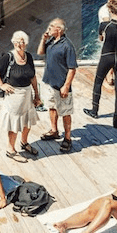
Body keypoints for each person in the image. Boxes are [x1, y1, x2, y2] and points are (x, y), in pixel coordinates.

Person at [0, 31, 41, 160]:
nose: (21, 43)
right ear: (14, 42)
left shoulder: (28, 57)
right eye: (18, 41)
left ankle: (24, 143)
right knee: (14, 123)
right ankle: (10, 149)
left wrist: (37, 94)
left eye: (23, 41)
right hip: (14, 95)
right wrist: (2, 85)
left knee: (27, 121)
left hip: (27, 94)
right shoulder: (8, 57)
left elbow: (33, 76)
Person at [85, 0, 117, 128]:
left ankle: (94, 111)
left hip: (107, 56)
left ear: (110, 10)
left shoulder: (105, 25)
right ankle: (116, 119)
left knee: (98, 81)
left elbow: (101, 39)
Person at [38, 18, 78, 152]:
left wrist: (66, 85)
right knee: (52, 107)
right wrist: (43, 39)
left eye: (51, 26)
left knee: (65, 112)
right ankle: (54, 130)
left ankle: (67, 138)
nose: (48, 28)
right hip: (50, 82)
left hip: (61, 85)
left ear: (59, 29)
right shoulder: (51, 41)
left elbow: (72, 68)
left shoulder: (67, 46)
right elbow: (40, 52)